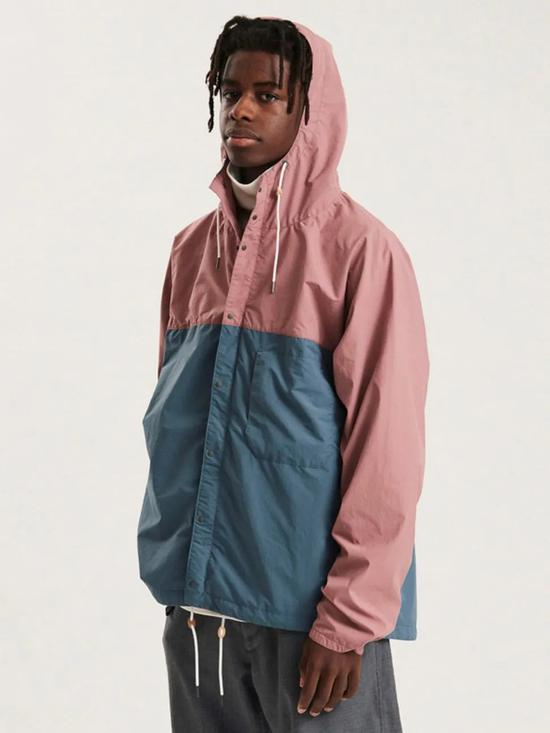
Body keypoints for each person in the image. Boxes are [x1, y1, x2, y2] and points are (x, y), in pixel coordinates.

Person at [137, 14, 429, 732]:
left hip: (313, 621)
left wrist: (350, 619)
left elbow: (386, 449)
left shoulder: (361, 252)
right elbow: (174, 422)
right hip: (200, 614)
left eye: (268, 95)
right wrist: (176, 569)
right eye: (229, 91)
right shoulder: (190, 252)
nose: (241, 109)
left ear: (309, 113)